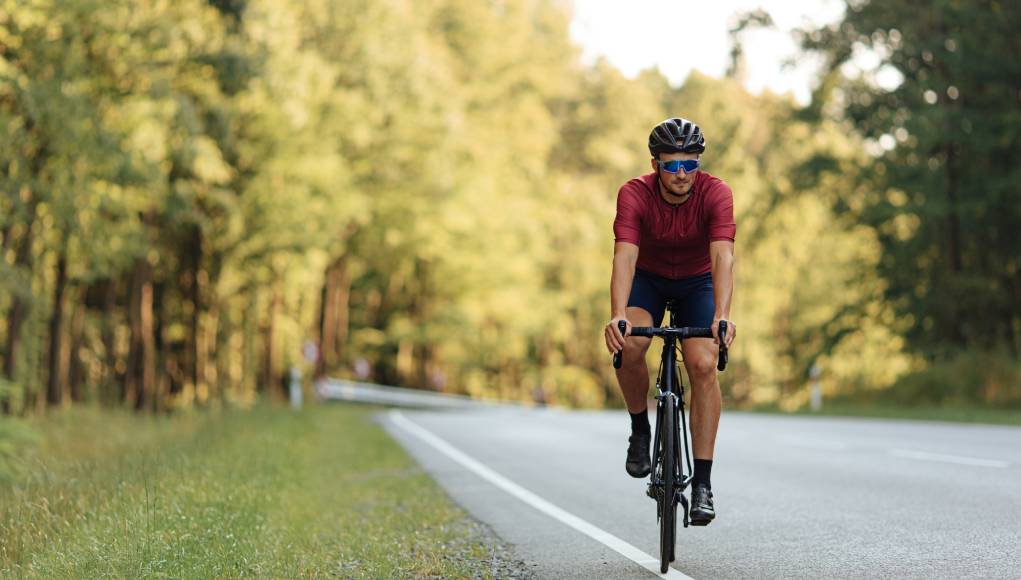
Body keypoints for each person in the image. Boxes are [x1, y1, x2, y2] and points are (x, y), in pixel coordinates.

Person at [604, 118, 736, 526]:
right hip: (649, 281)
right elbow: (625, 256)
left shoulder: (717, 193)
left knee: (701, 364)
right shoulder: (634, 194)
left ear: (699, 164)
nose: (681, 175)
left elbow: (722, 258)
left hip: (697, 283)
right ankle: (640, 429)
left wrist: (722, 317)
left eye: (689, 165)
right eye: (671, 165)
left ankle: (703, 485)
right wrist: (618, 314)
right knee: (630, 347)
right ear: (655, 164)